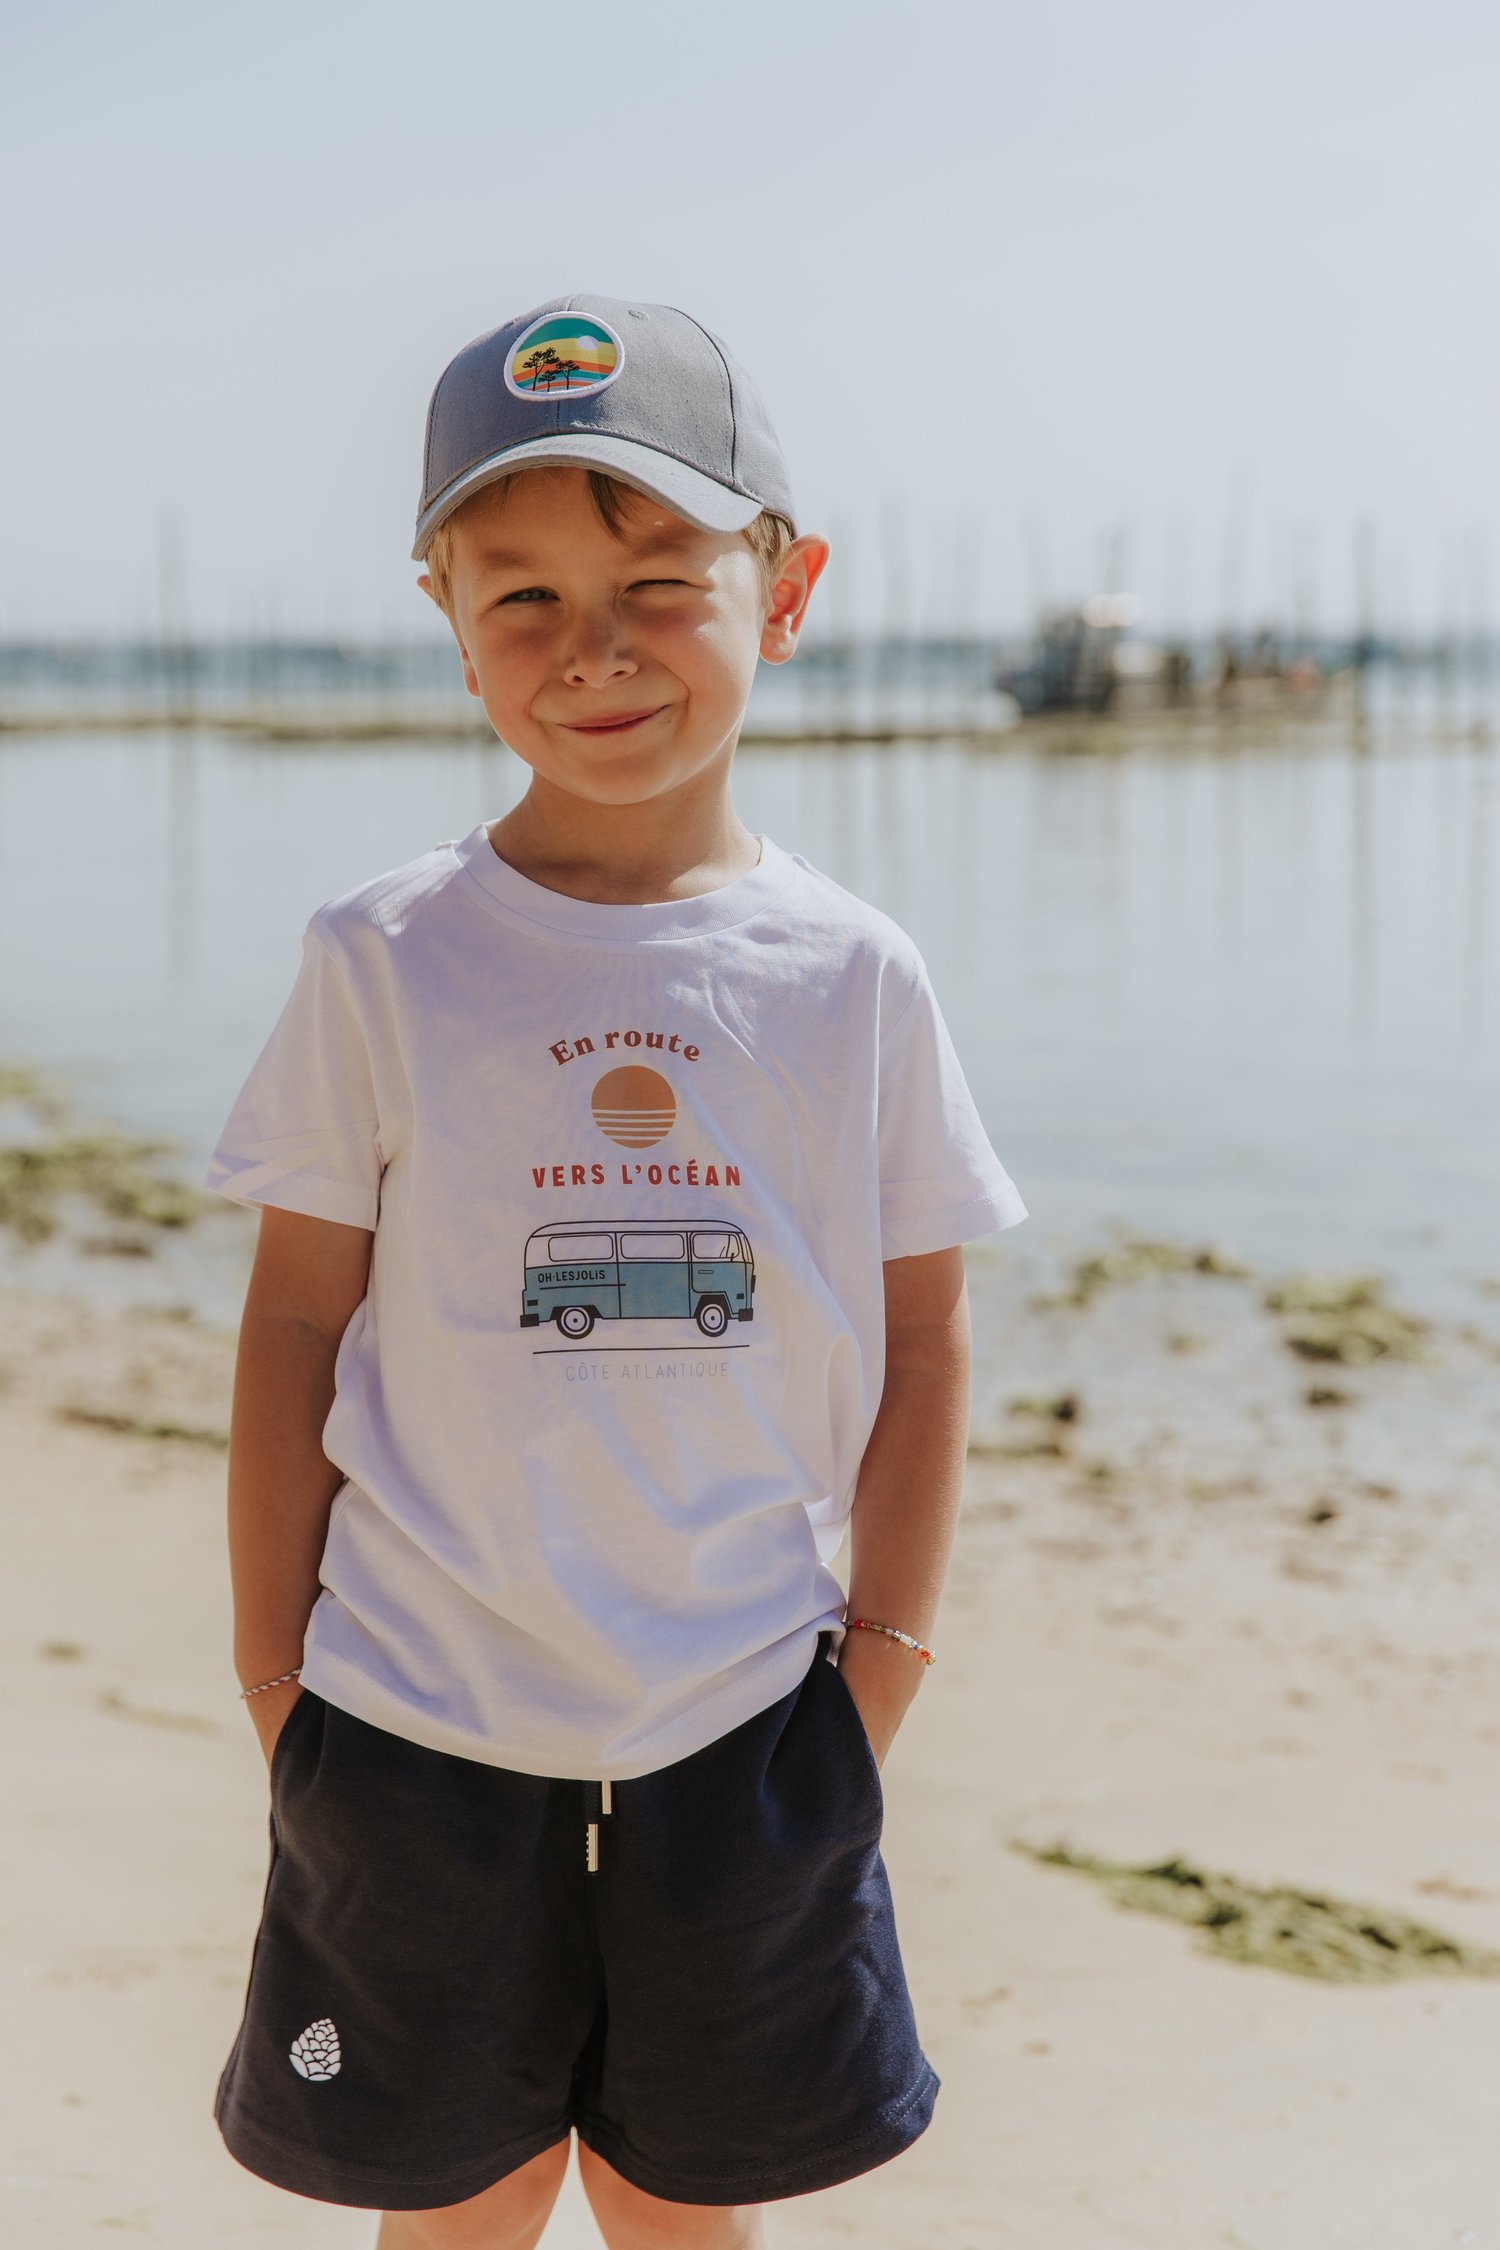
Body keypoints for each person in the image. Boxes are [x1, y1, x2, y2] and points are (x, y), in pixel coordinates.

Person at [209, 293, 1027, 2250]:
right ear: (444, 609)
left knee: (686, 2215)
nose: (594, 651)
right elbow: (297, 1320)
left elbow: (924, 1340)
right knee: (460, 2210)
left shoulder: (853, 974)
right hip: (410, 1729)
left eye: (660, 581)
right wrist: (275, 1677)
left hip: (742, 1733)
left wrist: (881, 1671)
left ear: (789, 584)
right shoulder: (385, 955)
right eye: (522, 599)